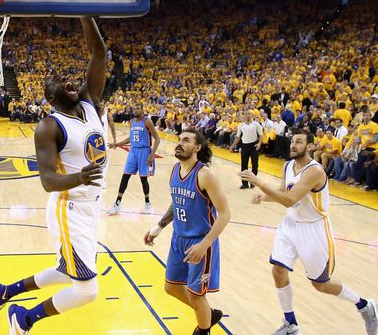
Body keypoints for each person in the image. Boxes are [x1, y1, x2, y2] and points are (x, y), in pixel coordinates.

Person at [0, 0, 108, 335]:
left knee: (66, 268)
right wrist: (79, 176)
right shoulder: (49, 126)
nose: (70, 83)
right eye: (60, 83)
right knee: (87, 289)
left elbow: (99, 52)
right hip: (70, 206)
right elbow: (48, 180)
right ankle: (24, 318)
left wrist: (77, 1)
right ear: (48, 96)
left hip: (92, 203)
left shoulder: (90, 101)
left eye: (71, 79)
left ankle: (2, 291)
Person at [239, 129, 377, 335]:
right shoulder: (288, 165)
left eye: (299, 142)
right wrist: (264, 196)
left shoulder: (315, 171)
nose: (293, 145)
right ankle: (291, 324)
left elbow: (289, 199)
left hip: (314, 229)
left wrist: (258, 182)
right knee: (278, 270)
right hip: (290, 224)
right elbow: (284, 192)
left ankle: (365, 305)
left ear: (310, 146)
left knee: (320, 284)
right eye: (292, 141)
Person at [144, 129, 230, 335]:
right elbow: (177, 202)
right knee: (171, 287)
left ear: (197, 148)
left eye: (186, 140)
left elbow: (225, 214)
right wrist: (158, 227)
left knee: (196, 296)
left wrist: (204, 244)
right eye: (179, 139)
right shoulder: (175, 169)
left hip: (200, 242)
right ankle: (208, 314)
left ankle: (203, 329)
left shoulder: (205, 174)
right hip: (178, 239)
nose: (180, 143)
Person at [107, 104, 160, 215]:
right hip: (133, 151)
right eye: (134, 109)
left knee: (143, 179)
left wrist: (152, 154)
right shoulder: (132, 121)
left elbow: (157, 138)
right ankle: (117, 203)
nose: (135, 110)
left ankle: (148, 204)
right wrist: (117, 144)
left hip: (144, 151)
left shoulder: (147, 122)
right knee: (125, 176)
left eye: (138, 108)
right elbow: (130, 138)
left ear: (142, 109)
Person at [230, 110, 262, 189]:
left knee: (255, 165)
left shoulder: (256, 124)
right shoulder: (241, 125)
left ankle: (253, 182)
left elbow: (261, 135)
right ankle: (244, 184)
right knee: (244, 165)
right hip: (244, 146)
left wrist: (259, 143)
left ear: (252, 116)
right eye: (246, 114)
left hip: (253, 146)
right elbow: (238, 137)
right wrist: (232, 145)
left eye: (249, 114)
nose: (247, 115)